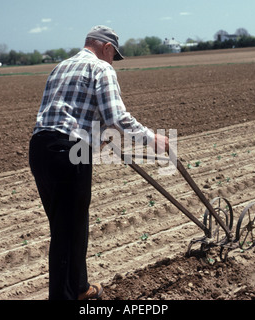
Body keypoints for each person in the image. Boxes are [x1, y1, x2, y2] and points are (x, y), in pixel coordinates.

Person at [28, 25, 169, 300]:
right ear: (106, 48)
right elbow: (116, 117)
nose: (113, 61)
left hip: (40, 148)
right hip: (69, 152)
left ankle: (80, 288)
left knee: (67, 226)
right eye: (113, 55)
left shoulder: (61, 67)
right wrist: (152, 138)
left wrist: (99, 139)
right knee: (67, 232)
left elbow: (72, 113)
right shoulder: (102, 68)